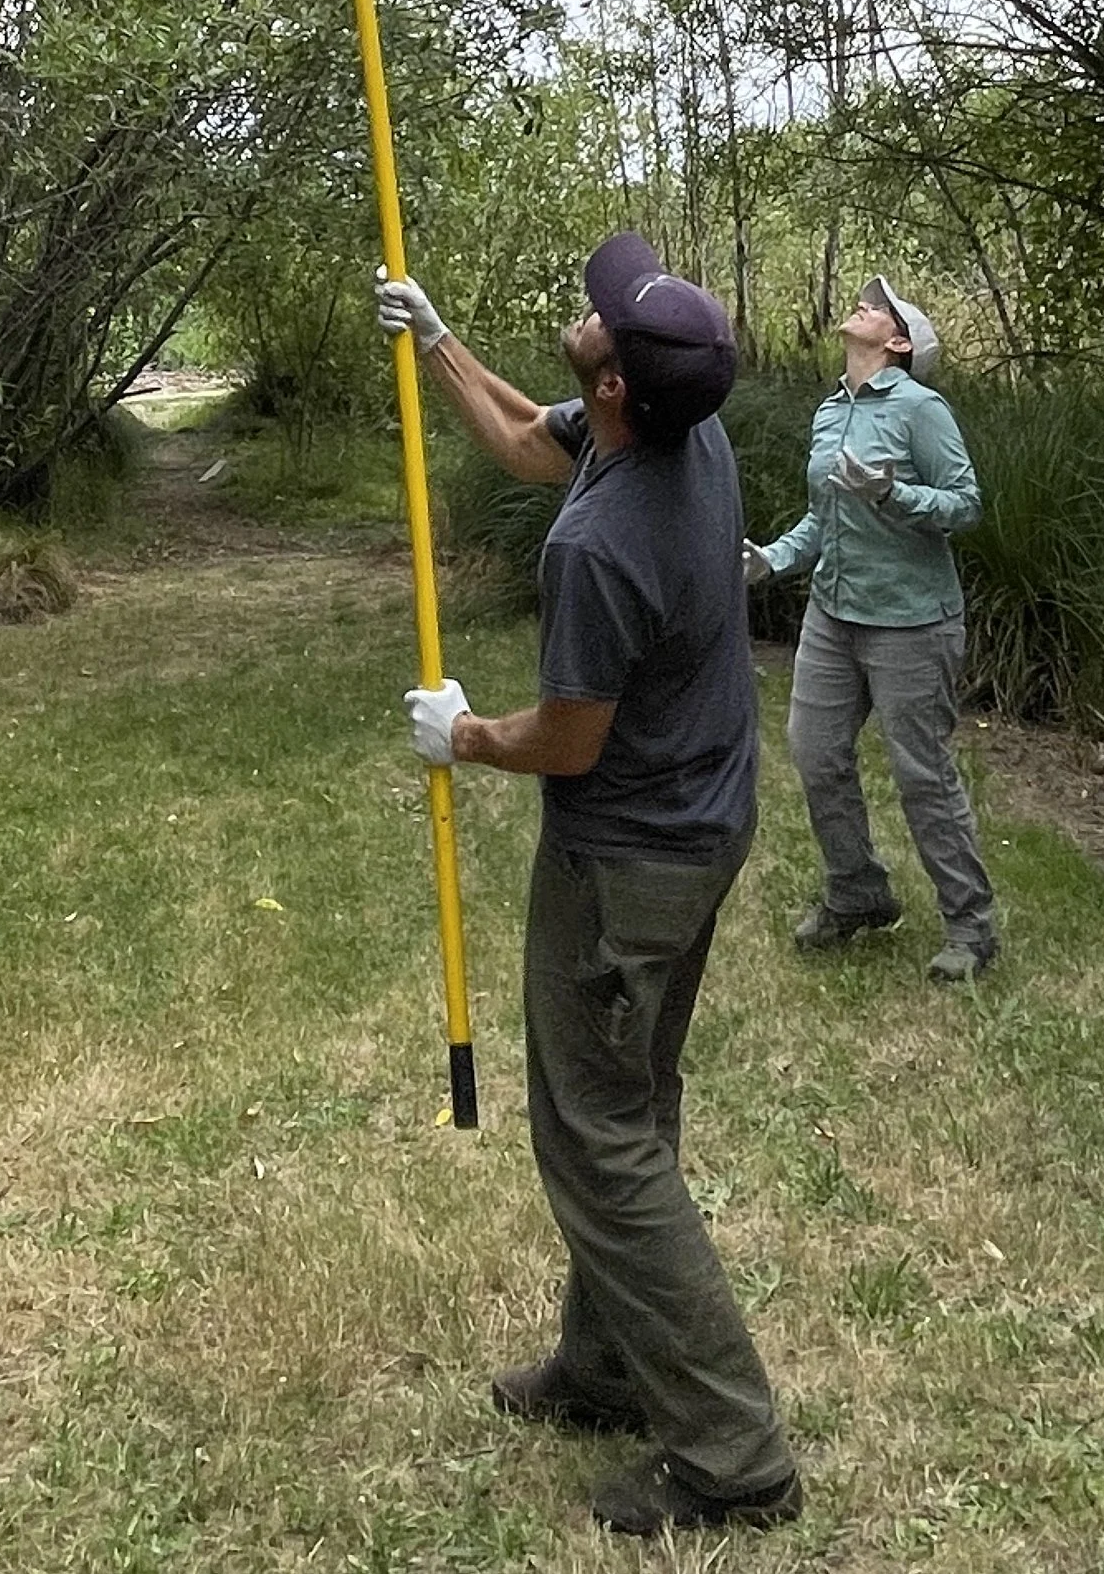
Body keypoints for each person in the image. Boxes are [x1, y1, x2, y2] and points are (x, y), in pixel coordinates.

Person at [376, 233, 802, 1542]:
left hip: (630, 864)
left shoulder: (602, 545)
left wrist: (465, 734)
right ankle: (607, 1365)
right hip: (700, 828)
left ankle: (733, 1455)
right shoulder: (684, 434)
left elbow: (568, 738)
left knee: (596, 1137)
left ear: (615, 384)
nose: (589, 311)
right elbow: (526, 438)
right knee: (632, 1103)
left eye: (602, 320)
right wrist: (436, 342)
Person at [745, 274, 999, 983]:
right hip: (833, 614)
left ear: (900, 343)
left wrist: (892, 492)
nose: (864, 305)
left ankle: (971, 928)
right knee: (815, 751)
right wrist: (773, 559)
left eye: (880, 307)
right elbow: (822, 518)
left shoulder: (921, 408)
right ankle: (858, 893)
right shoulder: (831, 410)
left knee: (922, 774)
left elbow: (965, 503)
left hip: (911, 622)